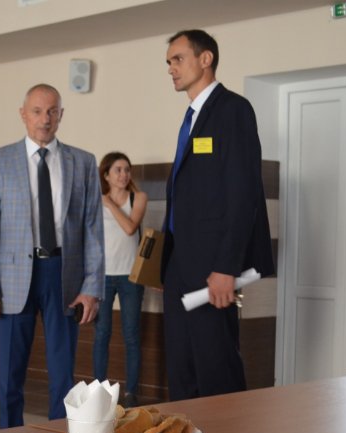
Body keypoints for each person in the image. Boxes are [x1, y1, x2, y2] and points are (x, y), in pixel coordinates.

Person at [0, 83, 104, 428]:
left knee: (63, 372)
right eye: (37, 111)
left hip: (64, 275)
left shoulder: (83, 162)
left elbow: (92, 228)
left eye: (52, 111)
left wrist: (92, 287)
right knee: (10, 372)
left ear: (61, 115)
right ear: (23, 114)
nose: (44, 119)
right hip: (13, 278)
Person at [161, 30, 274, 401]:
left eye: (178, 59)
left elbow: (243, 194)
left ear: (205, 58)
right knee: (182, 368)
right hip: (180, 263)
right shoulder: (192, 117)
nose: (171, 68)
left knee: (216, 368)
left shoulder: (232, 110)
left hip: (213, 267)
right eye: (169, 62)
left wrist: (226, 266)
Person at [92, 152, 147, 406]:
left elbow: (130, 228)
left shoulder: (138, 197)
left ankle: (131, 393)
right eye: (118, 170)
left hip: (131, 277)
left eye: (127, 169)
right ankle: (99, 391)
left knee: (131, 335)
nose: (124, 174)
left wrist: (110, 204)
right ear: (106, 175)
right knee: (102, 334)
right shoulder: (95, 201)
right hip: (102, 277)